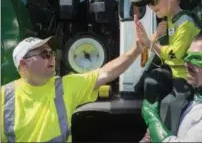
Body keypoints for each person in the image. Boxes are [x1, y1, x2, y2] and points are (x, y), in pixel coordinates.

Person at [1, 32, 144, 142]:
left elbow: (107, 72)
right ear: (23, 63)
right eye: (44, 54)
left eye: (52, 53)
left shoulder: (65, 86)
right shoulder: (4, 96)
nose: (52, 57)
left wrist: (136, 50)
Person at [131, 0, 201, 133]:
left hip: (189, 78)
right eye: (149, 4)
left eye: (153, 1)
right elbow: (161, 45)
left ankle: (165, 135)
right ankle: (152, 128)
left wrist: (150, 42)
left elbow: (174, 55)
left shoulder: (186, 23)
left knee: (171, 104)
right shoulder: (170, 20)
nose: (151, 7)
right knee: (151, 81)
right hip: (175, 73)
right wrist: (155, 36)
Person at [141, 33, 202, 142]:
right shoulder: (187, 97)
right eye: (186, 58)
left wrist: (152, 118)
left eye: (197, 59)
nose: (187, 65)